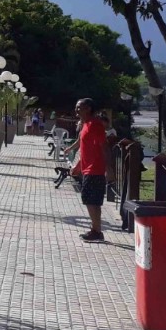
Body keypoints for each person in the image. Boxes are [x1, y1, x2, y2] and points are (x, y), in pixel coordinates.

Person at [66, 98, 108, 242]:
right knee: (90, 200)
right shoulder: (85, 124)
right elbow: (84, 149)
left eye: (80, 107)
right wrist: (78, 166)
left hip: (95, 169)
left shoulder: (95, 124)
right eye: (76, 107)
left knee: (92, 201)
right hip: (88, 169)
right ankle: (95, 230)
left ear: (88, 108)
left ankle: (96, 231)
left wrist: (109, 169)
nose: (77, 109)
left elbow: (103, 146)